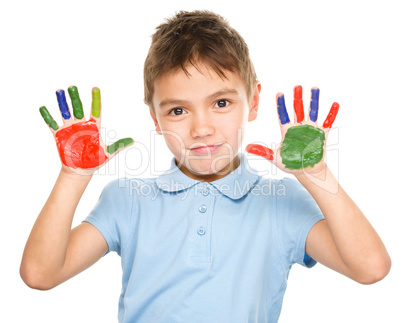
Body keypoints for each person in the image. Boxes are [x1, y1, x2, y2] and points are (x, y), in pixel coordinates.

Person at [20, 10, 391, 323]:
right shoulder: (128, 200)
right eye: (178, 110)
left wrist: (317, 177)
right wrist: (74, 176)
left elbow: (371, 268)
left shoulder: (280, 202)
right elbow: (40, 274)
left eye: (221, 103)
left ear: (254, 100)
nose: (201, 129)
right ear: (154, 117)